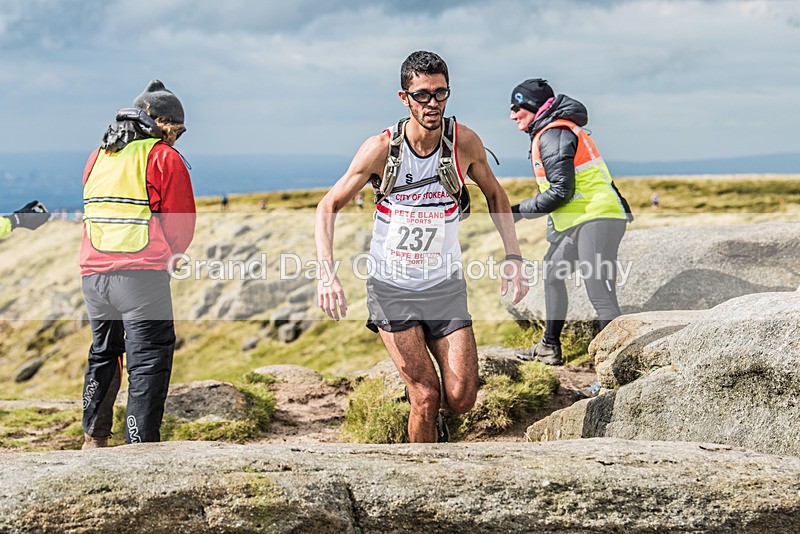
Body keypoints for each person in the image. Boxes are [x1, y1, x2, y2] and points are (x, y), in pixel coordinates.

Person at [315, 51, 528, 443]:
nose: (433, 103)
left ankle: (435, 427)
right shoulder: (382, 148)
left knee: (462, 398)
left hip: (444, 286)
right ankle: (424, 476)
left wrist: (513, 257)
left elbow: (496, 197)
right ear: (404, 97)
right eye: (423, 95)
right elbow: (328, 205)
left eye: (441, 93)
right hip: (391, 288)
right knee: (426, 395)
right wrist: (327, 275)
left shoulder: (463, 142)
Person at [80, 80, 196, 448]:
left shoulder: (99, 155)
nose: (177, 139)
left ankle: (94, 438)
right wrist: (168, 255)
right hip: (141, 277)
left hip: (94, 276)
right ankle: (139, 445)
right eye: (176, 131)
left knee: (104, 353)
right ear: (162, 122)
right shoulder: (163, 157)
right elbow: (180, 225)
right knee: (147, 361)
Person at [509, 78, 632, 366]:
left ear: (533, 107)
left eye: (517, 107)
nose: (512, 115)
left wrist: (515, 211)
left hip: (598, 218)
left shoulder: (554, 134)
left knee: (600, 295)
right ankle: (549, 347)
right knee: (552, 273)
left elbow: (560, 192)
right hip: (581, 220)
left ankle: (613, 371)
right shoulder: (549, 132)